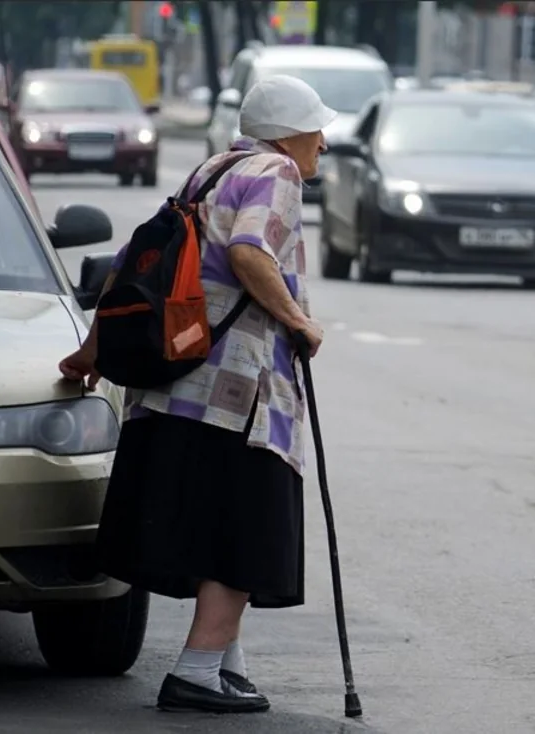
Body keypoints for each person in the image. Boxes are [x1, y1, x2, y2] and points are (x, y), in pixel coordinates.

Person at [57, 74, 333, 715]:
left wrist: (92, 352)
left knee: (216, 522)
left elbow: (133, 263)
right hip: (239, 391)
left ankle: (225, 664)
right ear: (291, 133)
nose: (324, 140)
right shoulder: (278, 172)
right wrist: (297, 320)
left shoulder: (209, 172)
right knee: (246, 526)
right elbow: (249, 253)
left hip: (177, 382)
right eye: (317, 127)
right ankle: (199, 669)